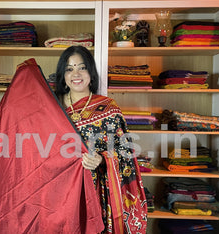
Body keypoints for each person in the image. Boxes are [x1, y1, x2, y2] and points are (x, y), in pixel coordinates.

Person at [55, 45, 148, 234]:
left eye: (82, 67)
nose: (76, 74)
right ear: (63, 76)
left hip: (95, 192)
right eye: (69, 69)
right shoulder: (52, 106)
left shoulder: (108, 108)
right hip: (59, 193)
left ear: (91, 72)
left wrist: (102, 159)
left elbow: (125, 154)